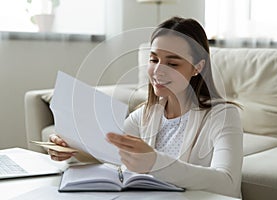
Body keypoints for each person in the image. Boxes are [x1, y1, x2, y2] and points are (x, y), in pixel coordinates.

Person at [48, 16, 243, 198]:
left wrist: (155, 162)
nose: (158, 71)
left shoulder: (223, 115)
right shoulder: (146, 114)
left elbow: (227, 183)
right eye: (153, 59)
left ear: (197, 67)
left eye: (173, 64)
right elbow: (108, 155)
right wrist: (70, 150)